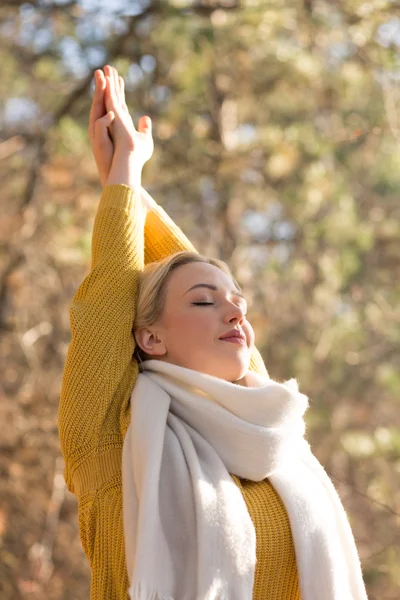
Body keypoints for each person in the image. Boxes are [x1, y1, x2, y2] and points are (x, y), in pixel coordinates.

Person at [58, 66, 368, 600]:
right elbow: (109, 300)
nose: (235, 314)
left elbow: (190, 274)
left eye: (239, 304)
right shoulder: (117, 440)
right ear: (149, 338)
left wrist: (136, 194)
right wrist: (123, 177)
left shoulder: (272, 433)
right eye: (204, 302)